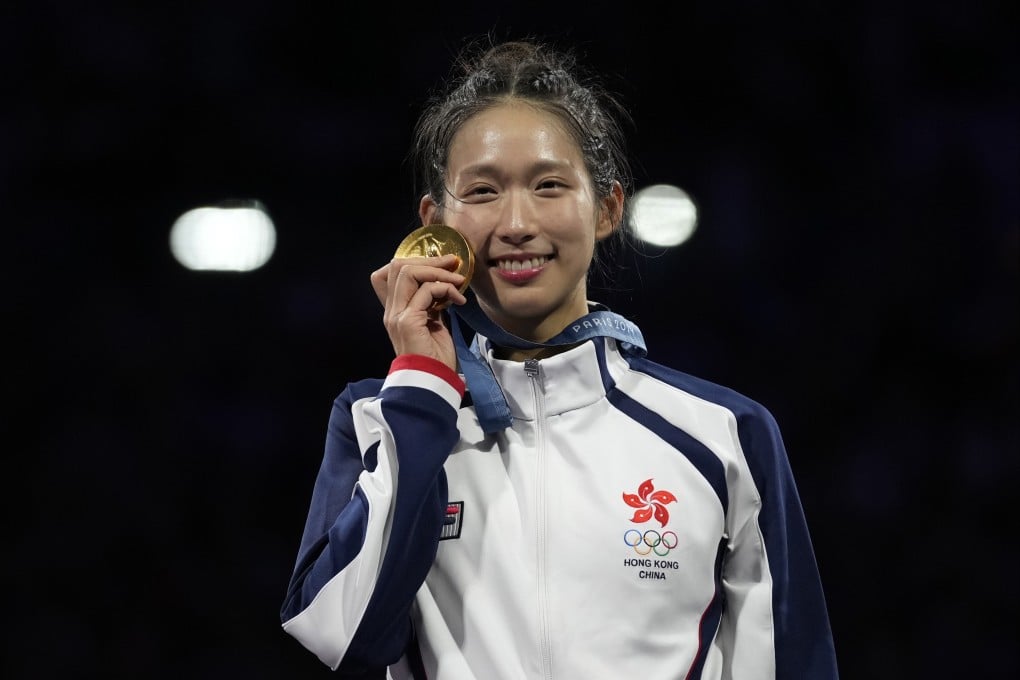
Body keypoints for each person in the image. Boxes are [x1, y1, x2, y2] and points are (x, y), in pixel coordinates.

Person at [280, 37, 839, 679]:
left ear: (605, 208)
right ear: (436, 222)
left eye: (549, 185)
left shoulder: (724, 436)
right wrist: (424, 390)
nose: (517, 222)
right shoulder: (379, 417)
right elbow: (345, 638)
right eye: (483, 192)